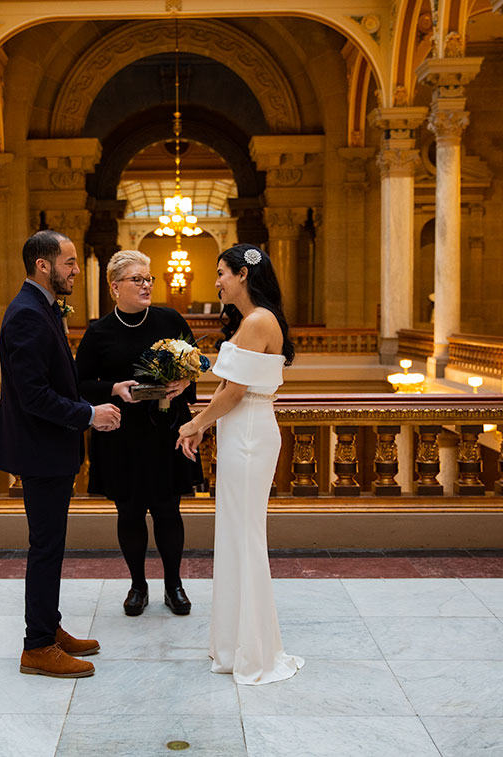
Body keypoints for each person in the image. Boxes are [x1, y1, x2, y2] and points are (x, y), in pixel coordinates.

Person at [0, 230, 122, 678]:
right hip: (41, 449)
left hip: (50, 448)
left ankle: (49, 626)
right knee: (46, 547)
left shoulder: (42, 308)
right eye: (69, 262)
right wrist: (88, 414)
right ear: (43, 265)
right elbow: (33, 395)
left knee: (50, 546)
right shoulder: (27, 314)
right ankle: (38, 645)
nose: (76, 269)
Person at [175, 243, 304, 686]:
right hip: (244, 428)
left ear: (243, 275)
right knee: (234, 534)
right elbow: (231, 388)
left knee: (244, 535)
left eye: (221, 273)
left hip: (248, 432)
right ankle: (237, 645)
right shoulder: (252, 321)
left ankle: (254, 650)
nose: (217, 281)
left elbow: (232, 393)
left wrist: (194, 426)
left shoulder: (258, 321)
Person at [76, 250, 202, 617]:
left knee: (168, 510)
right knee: (129, 512)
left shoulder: (170, 319)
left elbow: (193, 371)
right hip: (121, 434)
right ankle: (137, 585)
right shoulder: (99, 333)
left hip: (166, 432)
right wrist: (113, 388)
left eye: (149, 279)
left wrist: (182, 384)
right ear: (115, 287)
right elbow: (79, 383)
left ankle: (174, 585)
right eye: (137, 279)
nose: (147, 285)